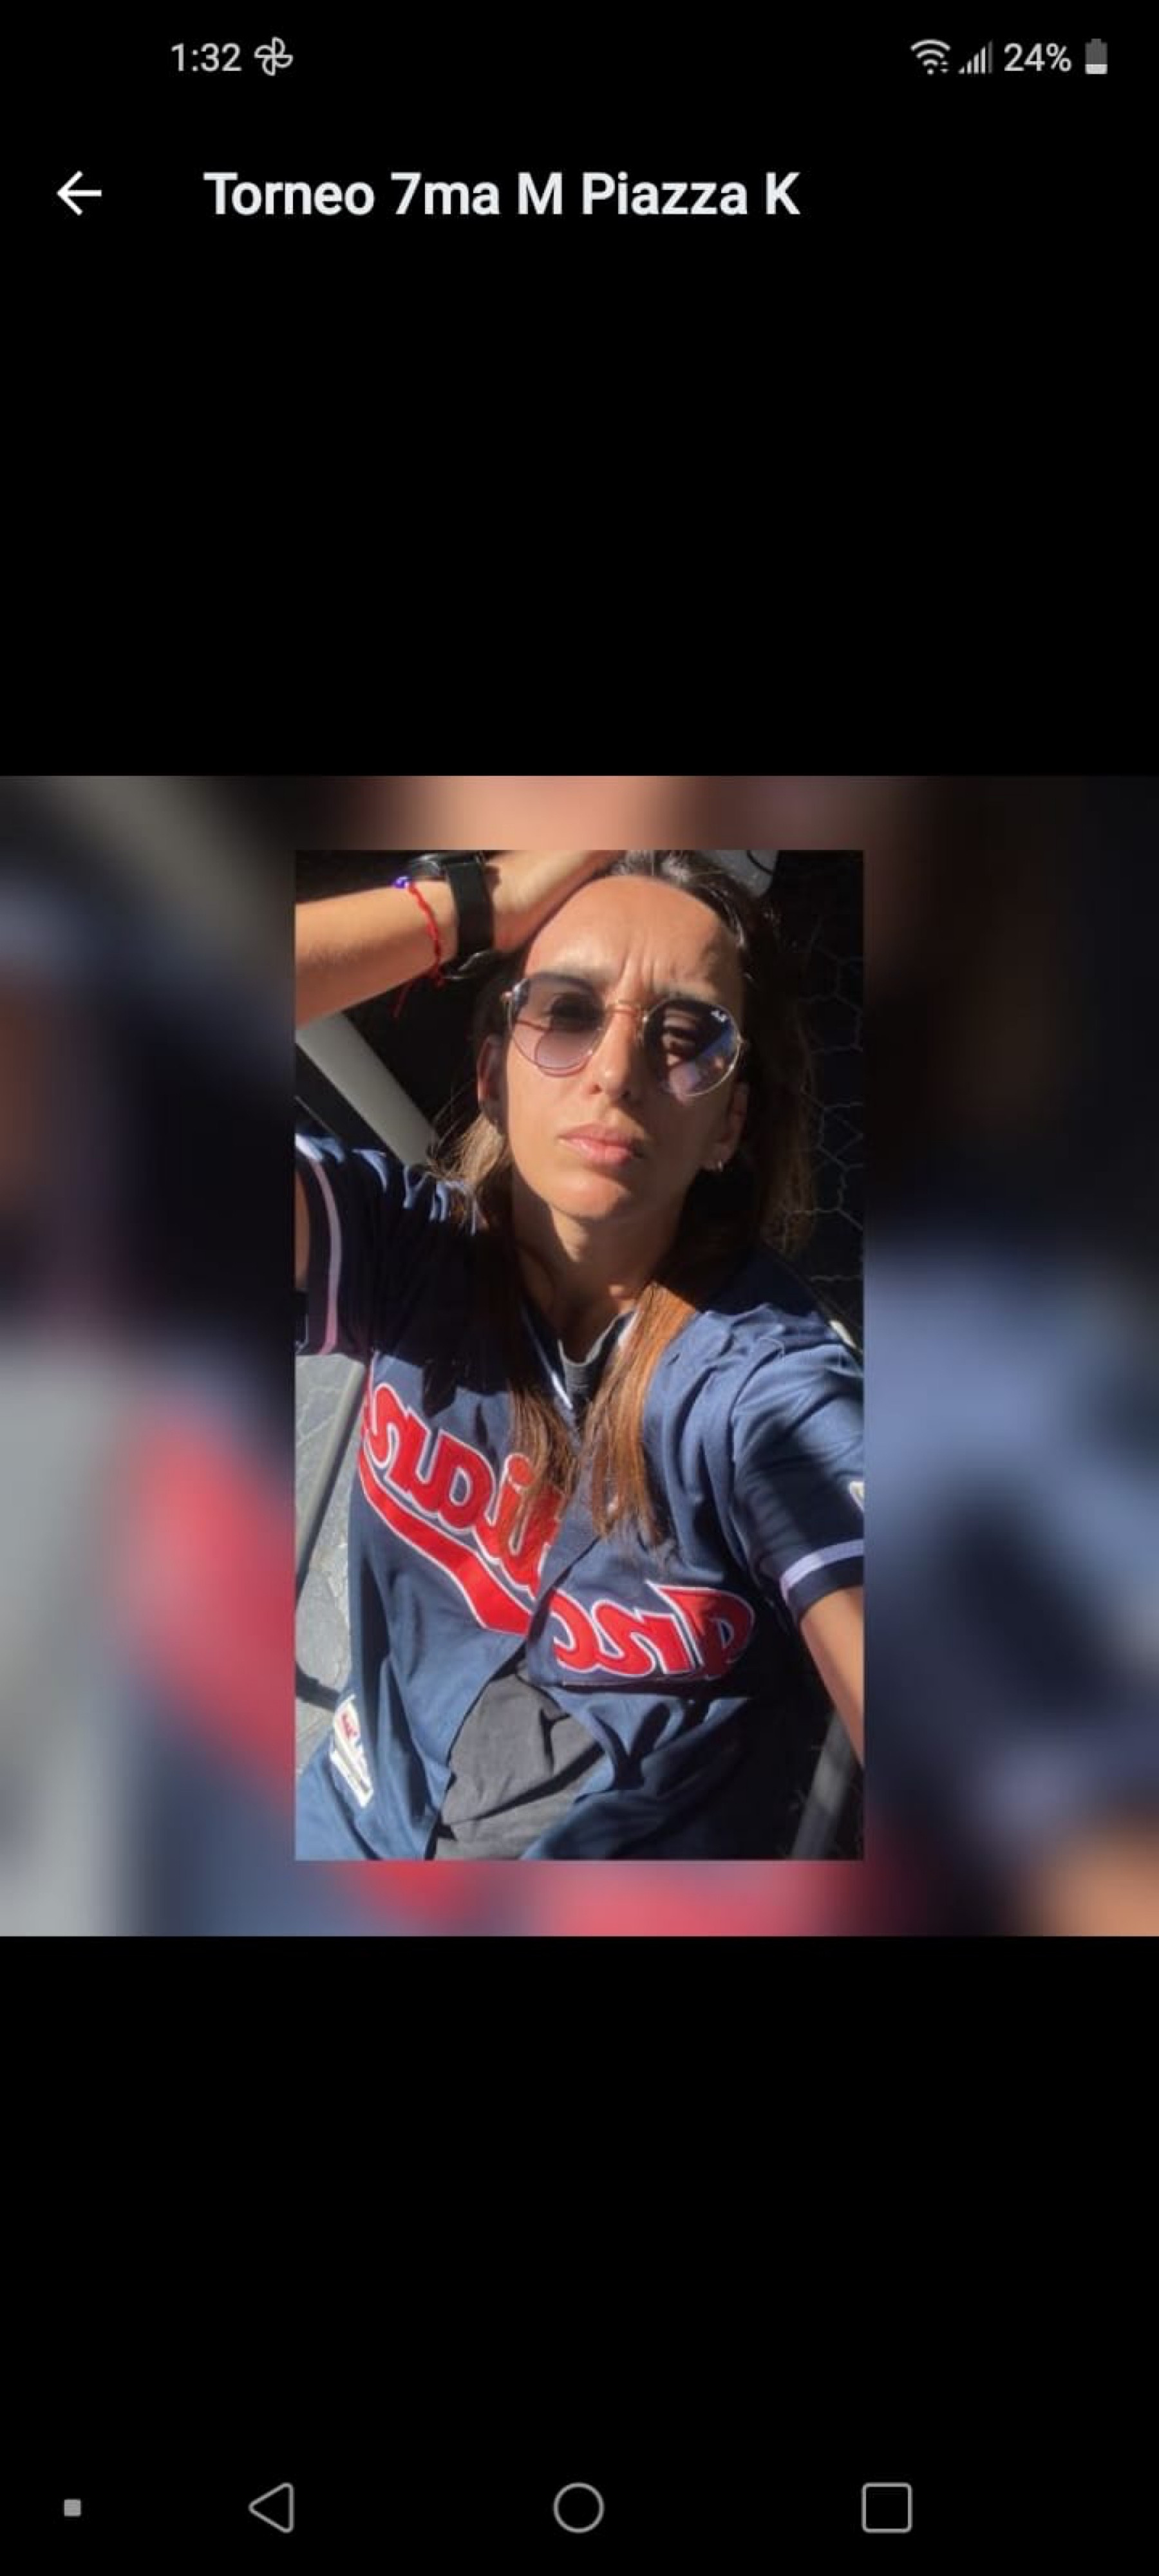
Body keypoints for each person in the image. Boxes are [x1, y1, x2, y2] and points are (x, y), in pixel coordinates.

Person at [294, 849, 863, 1859]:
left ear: (728, 1124)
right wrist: (473, 902)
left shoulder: (760, 1388)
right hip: (358, 1815)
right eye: (565, 1013)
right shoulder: (405, 1251)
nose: (615, 1071)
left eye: (684, 1038)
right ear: (491, 1076)